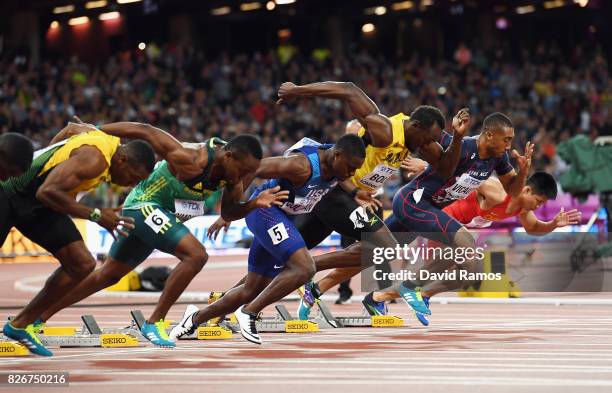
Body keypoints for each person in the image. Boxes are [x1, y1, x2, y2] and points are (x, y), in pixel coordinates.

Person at [33, 124, 287, 347]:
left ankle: (37, 318)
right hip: (145, 204)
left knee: (108, 275)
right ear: (229, 156)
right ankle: (154, 323)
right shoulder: (193, 158)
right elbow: (145, 130)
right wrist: (99, 130)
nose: (243, 178)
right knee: (196, 256)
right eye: (242, 171)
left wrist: (254, 204)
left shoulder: (233, 180)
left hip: (158, 215)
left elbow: (230, 213)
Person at [267, 81, 470, 320]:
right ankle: (309, 267)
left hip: (347, 198)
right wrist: (298, 91)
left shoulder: (417, 139)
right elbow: (348, 90)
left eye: (433, 141)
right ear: (416, 126)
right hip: (339, 192)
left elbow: (446, 169)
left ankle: (240, 298)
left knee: (284, 256)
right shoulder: (384, 130)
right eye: (428, 139)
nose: (429, 145)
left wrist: (457, 138)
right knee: (385, 246)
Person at [300, 112, 534, 320]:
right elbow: (427, 138)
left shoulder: (499, 158)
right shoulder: (462, 145)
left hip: (427, 211)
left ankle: (318, 288)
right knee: (467, 248)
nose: (509, 144)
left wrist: (523, 172)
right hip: (414, 202)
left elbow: (512, 191)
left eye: (511, 140)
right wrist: (437, 150)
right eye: (506, 139)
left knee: (372, 252)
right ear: (489, 135)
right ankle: (410, 287)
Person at [170, 134, 366, 344]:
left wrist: (355, 192)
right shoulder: (300, 166)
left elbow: (342, 175)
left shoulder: (337, 163)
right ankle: (249, 313)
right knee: (305, 268)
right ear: (336, 155)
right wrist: (231, 208)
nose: (351, 174)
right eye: (350, 168)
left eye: (355, 169)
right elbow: (251, 168)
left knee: (251, 289)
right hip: (264, 211)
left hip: (282, 217)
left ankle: (193, 320)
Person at [0, 124, 161, 356]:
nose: (128, 185)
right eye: (132, 178)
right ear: (123, 160)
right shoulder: (95, 158)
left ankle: (20, 325)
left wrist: (48, 157)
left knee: (82, 264)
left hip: (39, 206)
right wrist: (96, 215)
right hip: (12, 193)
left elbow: (70, 129)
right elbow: (47, 191)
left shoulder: (105, 144)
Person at [364, 172, 581, 322]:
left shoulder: (521, 207)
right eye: (539, 201)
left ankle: (379, 298)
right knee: (464, 267)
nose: (538, 206)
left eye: (542, 205)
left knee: (464, 273)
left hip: (456, 230)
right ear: (526, 189)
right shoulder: (497, 189)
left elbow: (533, 227)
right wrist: (427, 169)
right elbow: (461, 175)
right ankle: (405, 292)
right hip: (442, 218)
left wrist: (553, 224)